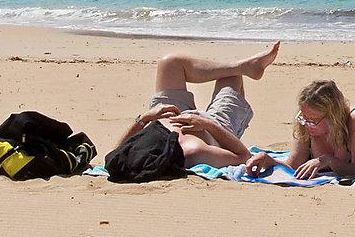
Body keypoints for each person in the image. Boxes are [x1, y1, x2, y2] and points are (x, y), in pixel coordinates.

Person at [112, 42, 279, 172]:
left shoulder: (144, 149)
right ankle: (243, 68)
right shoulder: (194, 151)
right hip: (215, 126)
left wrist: (146, 119)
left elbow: (113, 156)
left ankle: (245, 66)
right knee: (231, 78)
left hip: (163, 115)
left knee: (170, 63)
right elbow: (243, 156)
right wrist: (206, 124)